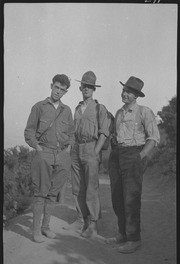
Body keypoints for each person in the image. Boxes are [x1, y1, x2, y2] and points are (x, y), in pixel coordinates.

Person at [106, 76, 160, 253]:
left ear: (136, 95)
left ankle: (134, 239)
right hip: (118, 155)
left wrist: (140, 156)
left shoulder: (144, 112)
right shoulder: (119, 113)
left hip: (134, 155)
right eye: (124, 90)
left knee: (131, 199)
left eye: (129, 92)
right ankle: (122, 234)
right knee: (117, 197)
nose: (125, 94)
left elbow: (153, 138)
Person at [24, 74, 75, 242]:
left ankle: (46, 227)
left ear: (65, 92)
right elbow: (29, 131)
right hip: (44, 152)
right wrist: (38, 148)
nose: (58, 92)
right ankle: (36, 231)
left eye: (62, 89)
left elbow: (72, 133)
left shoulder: (67, 111)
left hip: (61, 155)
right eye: (56, 87)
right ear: (51, 85)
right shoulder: (39, 107)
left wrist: (68, 149)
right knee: (40, 193)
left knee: (53, 194)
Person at [71, 71, 111, 238]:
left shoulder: (99, 108)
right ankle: (82, 219)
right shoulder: (77, 108)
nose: (86, 89)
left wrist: (95, 152)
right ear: (80, 87)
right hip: (77, 148)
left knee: (91, 188)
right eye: (84, 86)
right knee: (77, 187)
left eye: (89, 86)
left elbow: (104, 132)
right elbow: (73, 131)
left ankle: (93, 224)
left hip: (91, 147)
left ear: (93, 89)